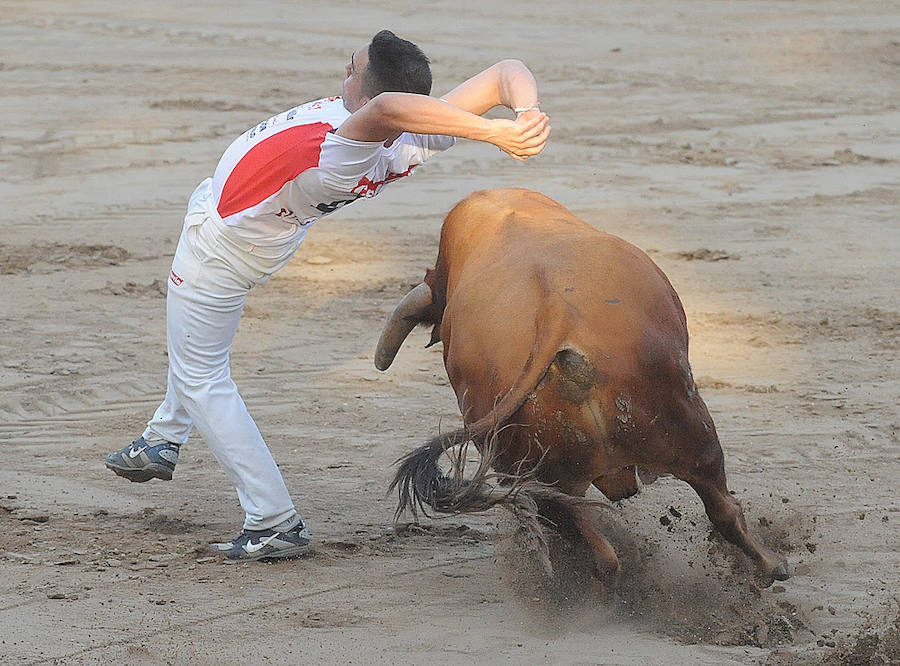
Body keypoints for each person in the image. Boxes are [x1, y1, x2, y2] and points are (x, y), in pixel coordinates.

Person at [105, 30, 550, 561]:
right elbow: (505, 72)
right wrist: (525, 115)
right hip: (254, 239)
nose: (345, 70)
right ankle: (161, 438)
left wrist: (492, 135)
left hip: (217, 252)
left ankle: (272, 520)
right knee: (197, 353)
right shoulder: (415, 137)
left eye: (353, 68)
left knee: (203, 376)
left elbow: (387, 106)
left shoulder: (347, 143)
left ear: (367, 94)